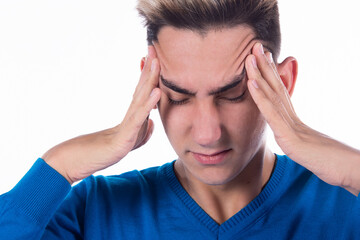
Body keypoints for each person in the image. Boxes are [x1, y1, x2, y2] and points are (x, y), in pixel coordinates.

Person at [1, 0, 359, 239]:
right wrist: (60, 164)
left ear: (282, 82)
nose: (207, 133)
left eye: (233, 94)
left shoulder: (347, 204)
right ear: (150, 85)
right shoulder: (93, 213)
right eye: (179, 97)